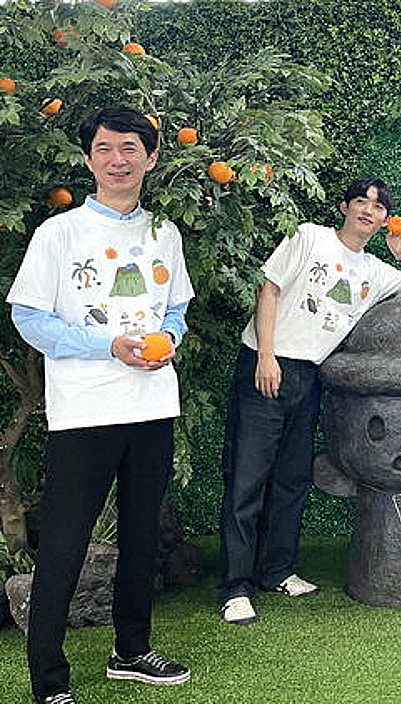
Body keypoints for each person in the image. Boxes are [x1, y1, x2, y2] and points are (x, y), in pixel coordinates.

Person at [8, 106, 194, 703]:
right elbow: (29, 317)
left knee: (142, 535)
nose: (119, 159)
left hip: (152, 407)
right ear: (89, 159)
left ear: (152, 156)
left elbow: (176, 310)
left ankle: (131, 651)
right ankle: (48, 681)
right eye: (107, 148)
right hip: (84, 413)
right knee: (64, 543)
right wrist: (108, 345)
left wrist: (171, 342)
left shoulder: (165, 232)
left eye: (131, 148)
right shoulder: (57, 234)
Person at [217, 178, 401, 625]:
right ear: (344, 207)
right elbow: (270, 289)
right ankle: (235, 587)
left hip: (311, 375)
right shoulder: (308, 235)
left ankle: (277, 570)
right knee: (247, 479)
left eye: (377, 207)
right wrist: (266, 354)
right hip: (267, 364)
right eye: (361, 202)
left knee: (293, 479)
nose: (368, 211)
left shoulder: (375, 270)